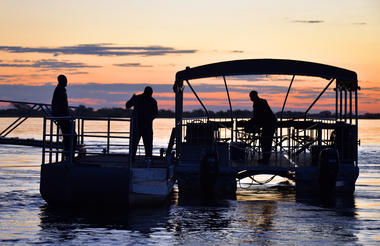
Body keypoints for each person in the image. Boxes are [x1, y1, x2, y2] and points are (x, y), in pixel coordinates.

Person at [126, 86, 158, 162]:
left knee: (148, 144)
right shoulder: (138, 98)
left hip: (146, 126)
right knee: (135, 143)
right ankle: (133, 159)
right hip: (138, 125)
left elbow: (155, 114)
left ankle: (147, 159)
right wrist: (132, 99)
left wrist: (149, 119)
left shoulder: (152, 101)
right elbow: (128, 105)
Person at [51, 74, 77, 160]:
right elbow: (57, 105)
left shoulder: (61, 90)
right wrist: (59, 116)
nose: (66, 82)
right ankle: (69, 155)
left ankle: (69, 154)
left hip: (64, 117)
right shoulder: (59, 90)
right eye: (65, 81)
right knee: (71, 135)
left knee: (70, 136)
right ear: (62, 81)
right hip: (62, 117)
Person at [249, 90, 277, 164]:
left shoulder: (259, 103)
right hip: (268, 123)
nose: (250, 99)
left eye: (251, 97)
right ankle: (265, 157)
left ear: (254, 96)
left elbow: (258, 116)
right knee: (265, 140)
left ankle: (266, 158)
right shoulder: (261, 102)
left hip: (269, 124)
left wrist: (251, 122)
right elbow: (258, 117)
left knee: (266, 140)